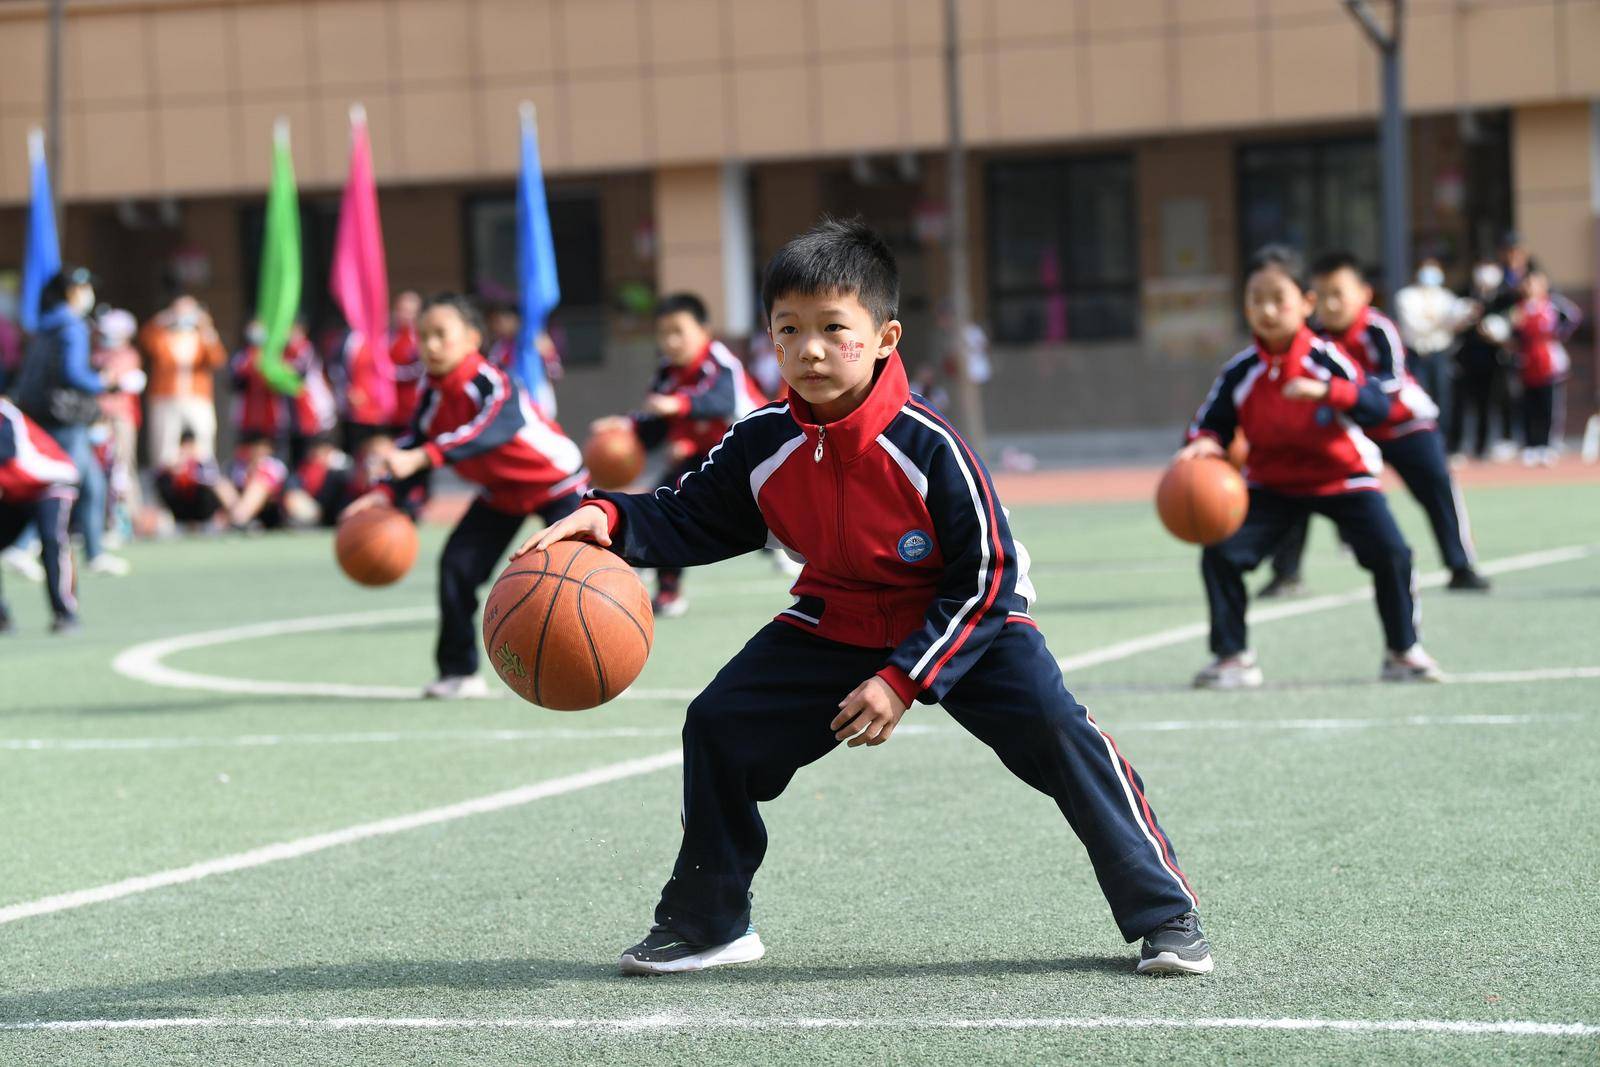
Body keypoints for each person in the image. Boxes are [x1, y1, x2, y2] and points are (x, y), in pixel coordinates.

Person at [514, 219, 1211, 978]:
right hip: (837, 613)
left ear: (883, 337)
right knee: (717, 725)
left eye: (832, 328)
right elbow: (689, 513)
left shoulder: (930, 447)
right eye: (789, 329)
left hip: (963, 619)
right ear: (770, 342)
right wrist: (607, 514)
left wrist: (902, 678)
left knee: (1058, 730)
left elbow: (989, 576)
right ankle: (708, 921)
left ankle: (1166, 912)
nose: (809, 348)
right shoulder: (762, 440)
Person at [1180, 245, 1441, 688]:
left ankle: (1403, 651)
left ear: (1306, 303)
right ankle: (1233, 657)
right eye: (1255, 299)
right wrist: (1201, 445)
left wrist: (1327, 392)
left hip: (1342, 477)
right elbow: (1211, 423)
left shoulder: (1328, 358)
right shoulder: (1240, 371)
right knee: (1221, 554)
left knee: (1392, 553)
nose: (1265, 309)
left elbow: (1377, 404)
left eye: (1277, 298)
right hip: (1272, 484)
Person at [342, 293, 588, 700]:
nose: (430, 345)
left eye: (441, 334)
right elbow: (414, 443)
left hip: (557, 482)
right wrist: (384, 494)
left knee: (580, 580)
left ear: (473, 338)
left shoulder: (493, 382)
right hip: (502, 493)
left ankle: (600, 659)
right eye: (423, 336)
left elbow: (486, 430)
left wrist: (425, 455)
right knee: (456, 566)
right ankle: (460, 671)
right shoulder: (433, 395)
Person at [1262, 253, 1487, 594]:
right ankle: (1286, 571)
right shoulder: (1312, 339)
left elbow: (1390, 382)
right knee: (1298, 480)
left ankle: (1460, 565)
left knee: (1437, 484)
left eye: (1339, 293)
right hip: (1351, 431)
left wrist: (1337, 391)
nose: (1331, 303)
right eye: (1322, 295)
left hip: (1403, 424)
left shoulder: (1379, 328)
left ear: (1364, 294)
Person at [591, 292, 768, 617]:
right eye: (663, 333)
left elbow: (722, 402)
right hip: (705, 455)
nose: (670, 341)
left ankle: (803, 566)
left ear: (704, 330)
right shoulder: (666, 373)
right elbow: (653, 423)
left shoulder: (718, 361)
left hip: (750, 455)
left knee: (779, 519)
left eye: (678, 331)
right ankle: (668, 591)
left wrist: (679, 405)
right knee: (665, 506)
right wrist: (624, 427)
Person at [12, 267, 131, 576]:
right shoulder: (71, 326)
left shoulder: (44, 325)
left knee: (92, 483)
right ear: (71, 292)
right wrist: (104, 381)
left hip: (43, 412)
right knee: (61, 481)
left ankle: (95, 552)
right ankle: (22, 545)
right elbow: (74, 374)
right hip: (66, 417)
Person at [0, 397, 80, 633]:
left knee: (52, 540)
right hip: (16, 490)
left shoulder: (4, 414)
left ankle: (65, 613)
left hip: (50, 481)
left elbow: (6, 452)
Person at [141, 294, 226, 468]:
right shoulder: (163, 335)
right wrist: (165, 317)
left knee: (204, 441)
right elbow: (146, 339)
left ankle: (205, 480)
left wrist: (205, 326)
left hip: (197, 398)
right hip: (166, 398)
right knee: (165, 446)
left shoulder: (201, 336)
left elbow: (218, 359)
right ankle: (164, 482)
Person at [1393, 257, 1469, 441]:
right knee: (1417, 398)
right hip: (1416, 354)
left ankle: (1443, 442)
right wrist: (1440, 321)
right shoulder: (1406, 296)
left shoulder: (1446, 297)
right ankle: (1420, 439)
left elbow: (1456, 321)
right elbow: (1414, 326)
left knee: (1443, 398)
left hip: (1439, 354)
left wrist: (1436, 321)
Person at [1511, 269, 1581, 466]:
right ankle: (1531, 446)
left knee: (1548, 405)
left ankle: (1547, 445)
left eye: (1535, 283)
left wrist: (1558, 335)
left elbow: (1574, 316)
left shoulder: (1552, 305)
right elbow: (1514, 334)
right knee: (1528, 405)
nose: (1530, 287)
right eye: (1528, 283)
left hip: (1547, 362)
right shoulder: (1520, 308)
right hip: (1526, 362)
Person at [1449, 260, 1515, 461]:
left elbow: (1511, 327)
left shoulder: (1504, 297)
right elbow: (1454, 325)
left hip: (1493, 360)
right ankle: (1456, 446)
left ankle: (1482, 446)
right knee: (1460, 403)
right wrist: (1467, 319)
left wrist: (1496, 335)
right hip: (1466, 358)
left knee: (1488, 403)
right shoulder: (1464, 294)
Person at [91, 308, 145, 543]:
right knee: (99, 469)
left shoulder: (129, 355)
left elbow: (113, 379)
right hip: (98, 418)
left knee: (122, 468)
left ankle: (130, 520)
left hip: (122, 418)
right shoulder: (97, 354)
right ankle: (102, 522)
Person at [155, 430, 233, 528]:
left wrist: (194, 472)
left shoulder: (203, 461)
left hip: (201, 506)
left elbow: (213, 482)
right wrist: (177, 468)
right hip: (181, 507)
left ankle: (234, 517)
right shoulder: (174, 464)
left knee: (218, 487)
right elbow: (161, 477)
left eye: (190, 445)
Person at [389, 290, 424, 433]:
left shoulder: (421, 337)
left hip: (412, 407)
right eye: (401, 309)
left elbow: (421, 368)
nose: (404, 315)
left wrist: (392, 373)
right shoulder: (389, 336)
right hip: (390, 408)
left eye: (409, 311)